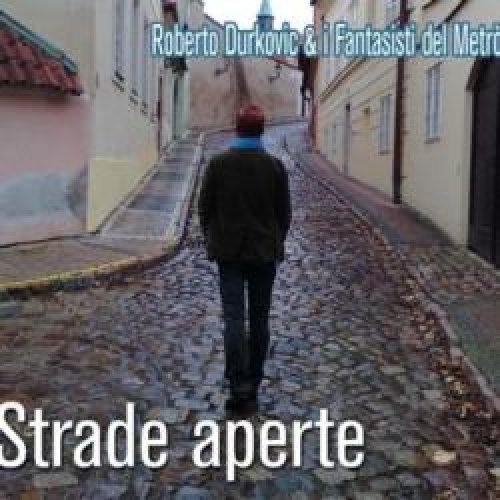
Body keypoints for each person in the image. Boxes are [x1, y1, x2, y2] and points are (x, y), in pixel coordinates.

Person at [198, 104, 292, 414]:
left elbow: (205, 207)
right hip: (264, 253)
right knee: (260, 318)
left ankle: (238, 386)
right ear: (262, 130)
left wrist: (212, 237)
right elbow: (284, 214)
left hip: (228, 252)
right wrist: (275, 241)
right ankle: (254, 381)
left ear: (236, 128)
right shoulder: (274, 167)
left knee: (234, 319)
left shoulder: (219, 164)